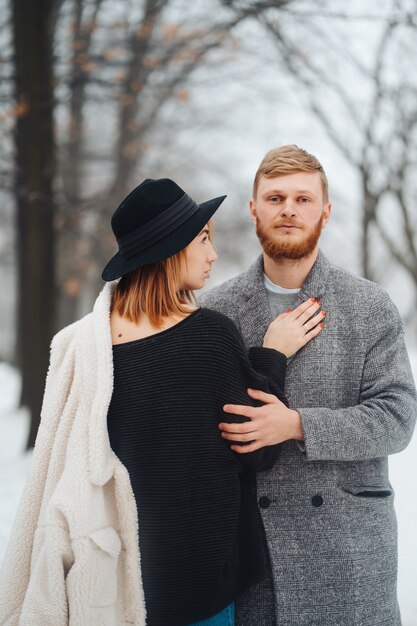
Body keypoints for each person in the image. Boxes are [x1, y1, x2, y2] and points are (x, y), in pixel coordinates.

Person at [0, 177, 323, 626]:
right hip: (200, 584)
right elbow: (259, 447)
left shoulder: (85, 349)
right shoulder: (209, 336)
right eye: (203, 240)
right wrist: (273, 355)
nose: (212, 255)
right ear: (172, 248)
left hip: (120, 583)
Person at [201, 145, 417, 626]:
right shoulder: (216, 311)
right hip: (252, 562)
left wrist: (297, 425)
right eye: (275, 198)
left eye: (303, 199)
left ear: (326, 210)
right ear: (254, 209)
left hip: (349, 555)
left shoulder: (369, 305)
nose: (289, 211)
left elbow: (397, 418)